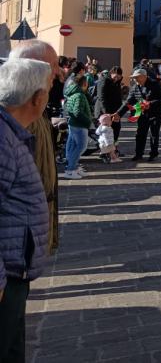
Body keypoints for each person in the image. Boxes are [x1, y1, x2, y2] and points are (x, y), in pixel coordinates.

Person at [0, 58, 52, 362]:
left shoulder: (12, 133)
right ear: (37, 98)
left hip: (15, 266)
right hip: (6, 274)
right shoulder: (3, 139)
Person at [9, 41, 62, 255]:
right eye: (53, 65)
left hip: (31, 230)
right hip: (16, 240)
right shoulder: (14, 115)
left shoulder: (35, 106)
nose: (58, 72)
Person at [120, 68, 161, 162]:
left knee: (154, 133)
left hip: (156, 112)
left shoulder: (155, 84)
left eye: (137, 77)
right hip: (142, 112)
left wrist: (150, 103)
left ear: (144, 77)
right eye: (134, 78)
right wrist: (118, 114)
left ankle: (153, 153)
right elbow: (128, 102)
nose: (135, 80)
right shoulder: (135, 87)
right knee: (140, 133)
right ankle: (138, 154)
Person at [61, 73, 93, 180]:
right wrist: (88, 121)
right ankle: (71, 169)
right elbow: (77, 112)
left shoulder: (72, 93)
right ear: (84, 84)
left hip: (73, 124)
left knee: (73, 147)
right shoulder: (79, 95)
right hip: (79, 125)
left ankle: (72, 167)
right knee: (81, 147)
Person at [94, 66, 124, 146]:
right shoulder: (104, 81)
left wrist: (119, 112)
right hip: (104, 112)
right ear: (111, 74)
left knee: (116, 130)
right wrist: (106, 113)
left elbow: (119, 99)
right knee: (105, 133)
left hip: (114, 112)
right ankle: (105, 152)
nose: (117, 78)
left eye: (119, 76)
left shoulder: (117, 83)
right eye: (115, 76)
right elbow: (101, 98)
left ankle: (113, 150)